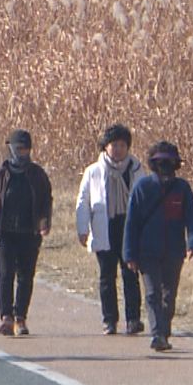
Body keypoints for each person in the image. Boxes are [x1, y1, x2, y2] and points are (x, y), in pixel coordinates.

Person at [123, 141, 193, 352]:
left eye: (169, 162)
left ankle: (164, 331)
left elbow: (192, 217)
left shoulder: (182, 188)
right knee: (152, 294)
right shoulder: (143, 187)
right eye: (161, 163)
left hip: (174, 251)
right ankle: (157, 334)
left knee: (169, 295)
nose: (165, 167)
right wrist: (129, 254)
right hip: (147, 251)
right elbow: (131, 223)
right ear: (153, 164)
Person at [0, 129, 53, 337]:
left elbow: (46, 201)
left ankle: (20, 318)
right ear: (11, 149)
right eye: (18, 149)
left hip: (29, 233)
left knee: (26, 276)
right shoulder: (0, 175)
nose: (22, 153)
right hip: (4, 232)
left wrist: (45, 222)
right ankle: (6, 317)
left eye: (26, 149)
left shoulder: (37, 174)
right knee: (6, 273)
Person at [75, 124, 145, 336]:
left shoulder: (136, 169)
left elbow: (144, 200)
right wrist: (82, 228)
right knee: (107, 276)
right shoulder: (94, 171)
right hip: (104, 226)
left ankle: (133, 319)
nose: (118, 149)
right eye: (114, 145)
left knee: (130, 273)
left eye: (122, 145)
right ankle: (109, 320)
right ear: (105, 147)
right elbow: (83, 201)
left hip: (128, 227)